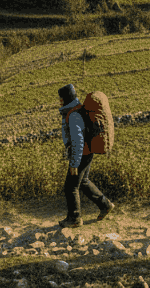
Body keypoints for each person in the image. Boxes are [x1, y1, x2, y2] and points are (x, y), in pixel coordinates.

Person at [58, 84, 115, 228]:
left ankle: (75, 218)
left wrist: (74, 164)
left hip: (82, 153)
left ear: (65, 99)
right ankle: (105, 204)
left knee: (70, 186)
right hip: (87, 152)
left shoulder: (74, 115)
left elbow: (78, 141)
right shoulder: (77, 111)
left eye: (60, 99)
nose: (59, 102)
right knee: (83, 181)